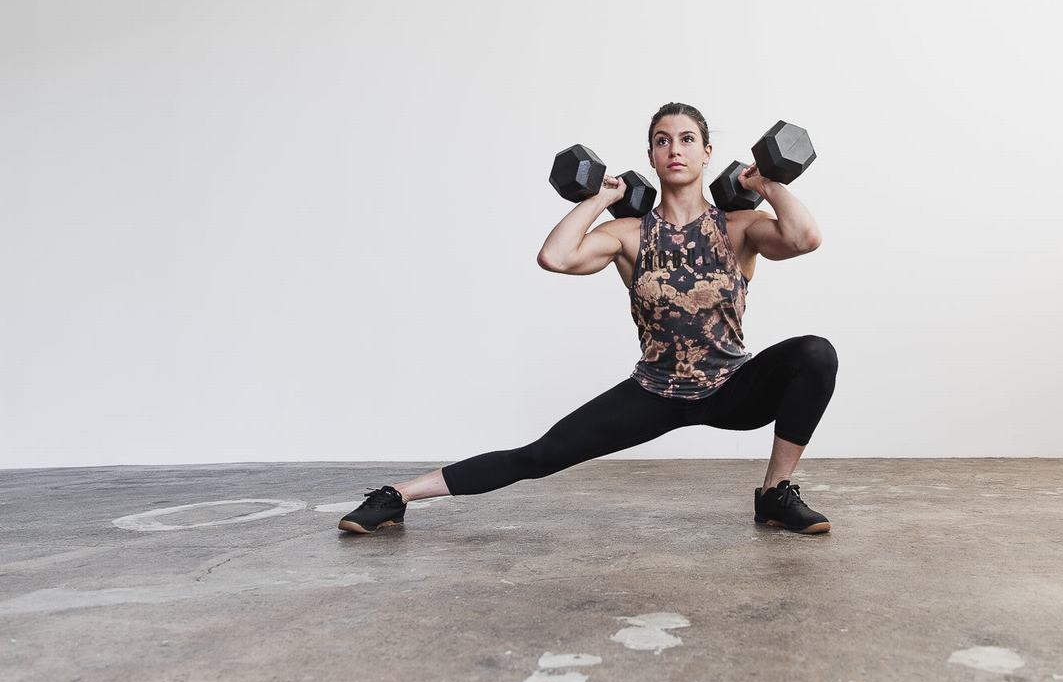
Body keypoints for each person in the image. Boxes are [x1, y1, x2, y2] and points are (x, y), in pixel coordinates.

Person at [338, 102, 839, 535]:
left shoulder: (739, 227)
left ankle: (774, 493)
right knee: (538, 456)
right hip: (654, 392)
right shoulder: (627, 233)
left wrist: (767, 183)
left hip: (732, 387)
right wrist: (603, 197)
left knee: (815, 353)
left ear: (708, 152)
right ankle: (397, 496)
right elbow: (555, 257)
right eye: (662, 141)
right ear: (651, 157)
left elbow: (805, 238)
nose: (675, 150)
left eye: (688, 139)